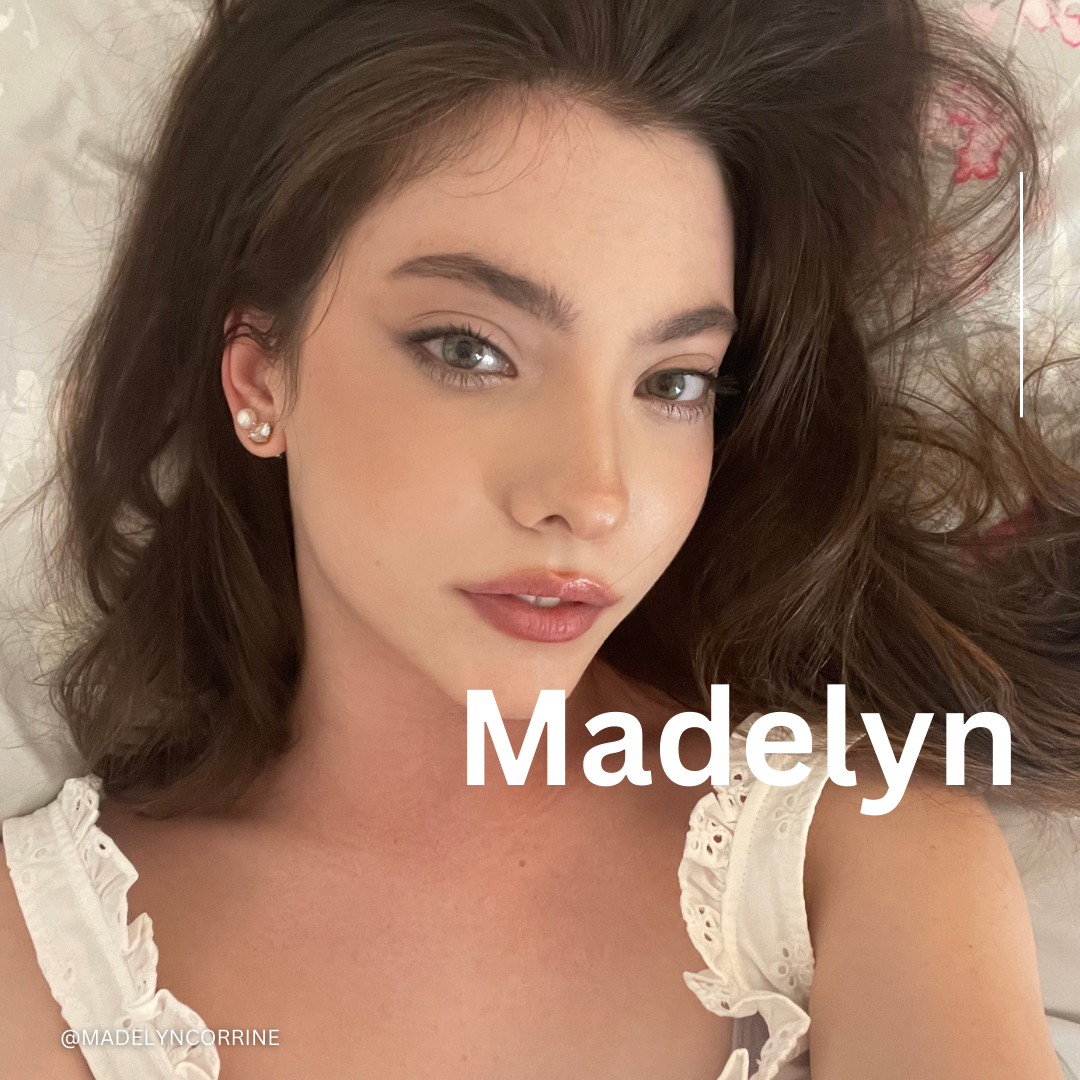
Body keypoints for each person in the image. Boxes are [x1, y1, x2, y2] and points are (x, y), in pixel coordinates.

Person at [2, 0, 1078, 1077]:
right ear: (260, 378)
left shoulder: (851, 859)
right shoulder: (46, 959)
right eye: (471, 351)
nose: (593, 497)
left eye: (673, 382)